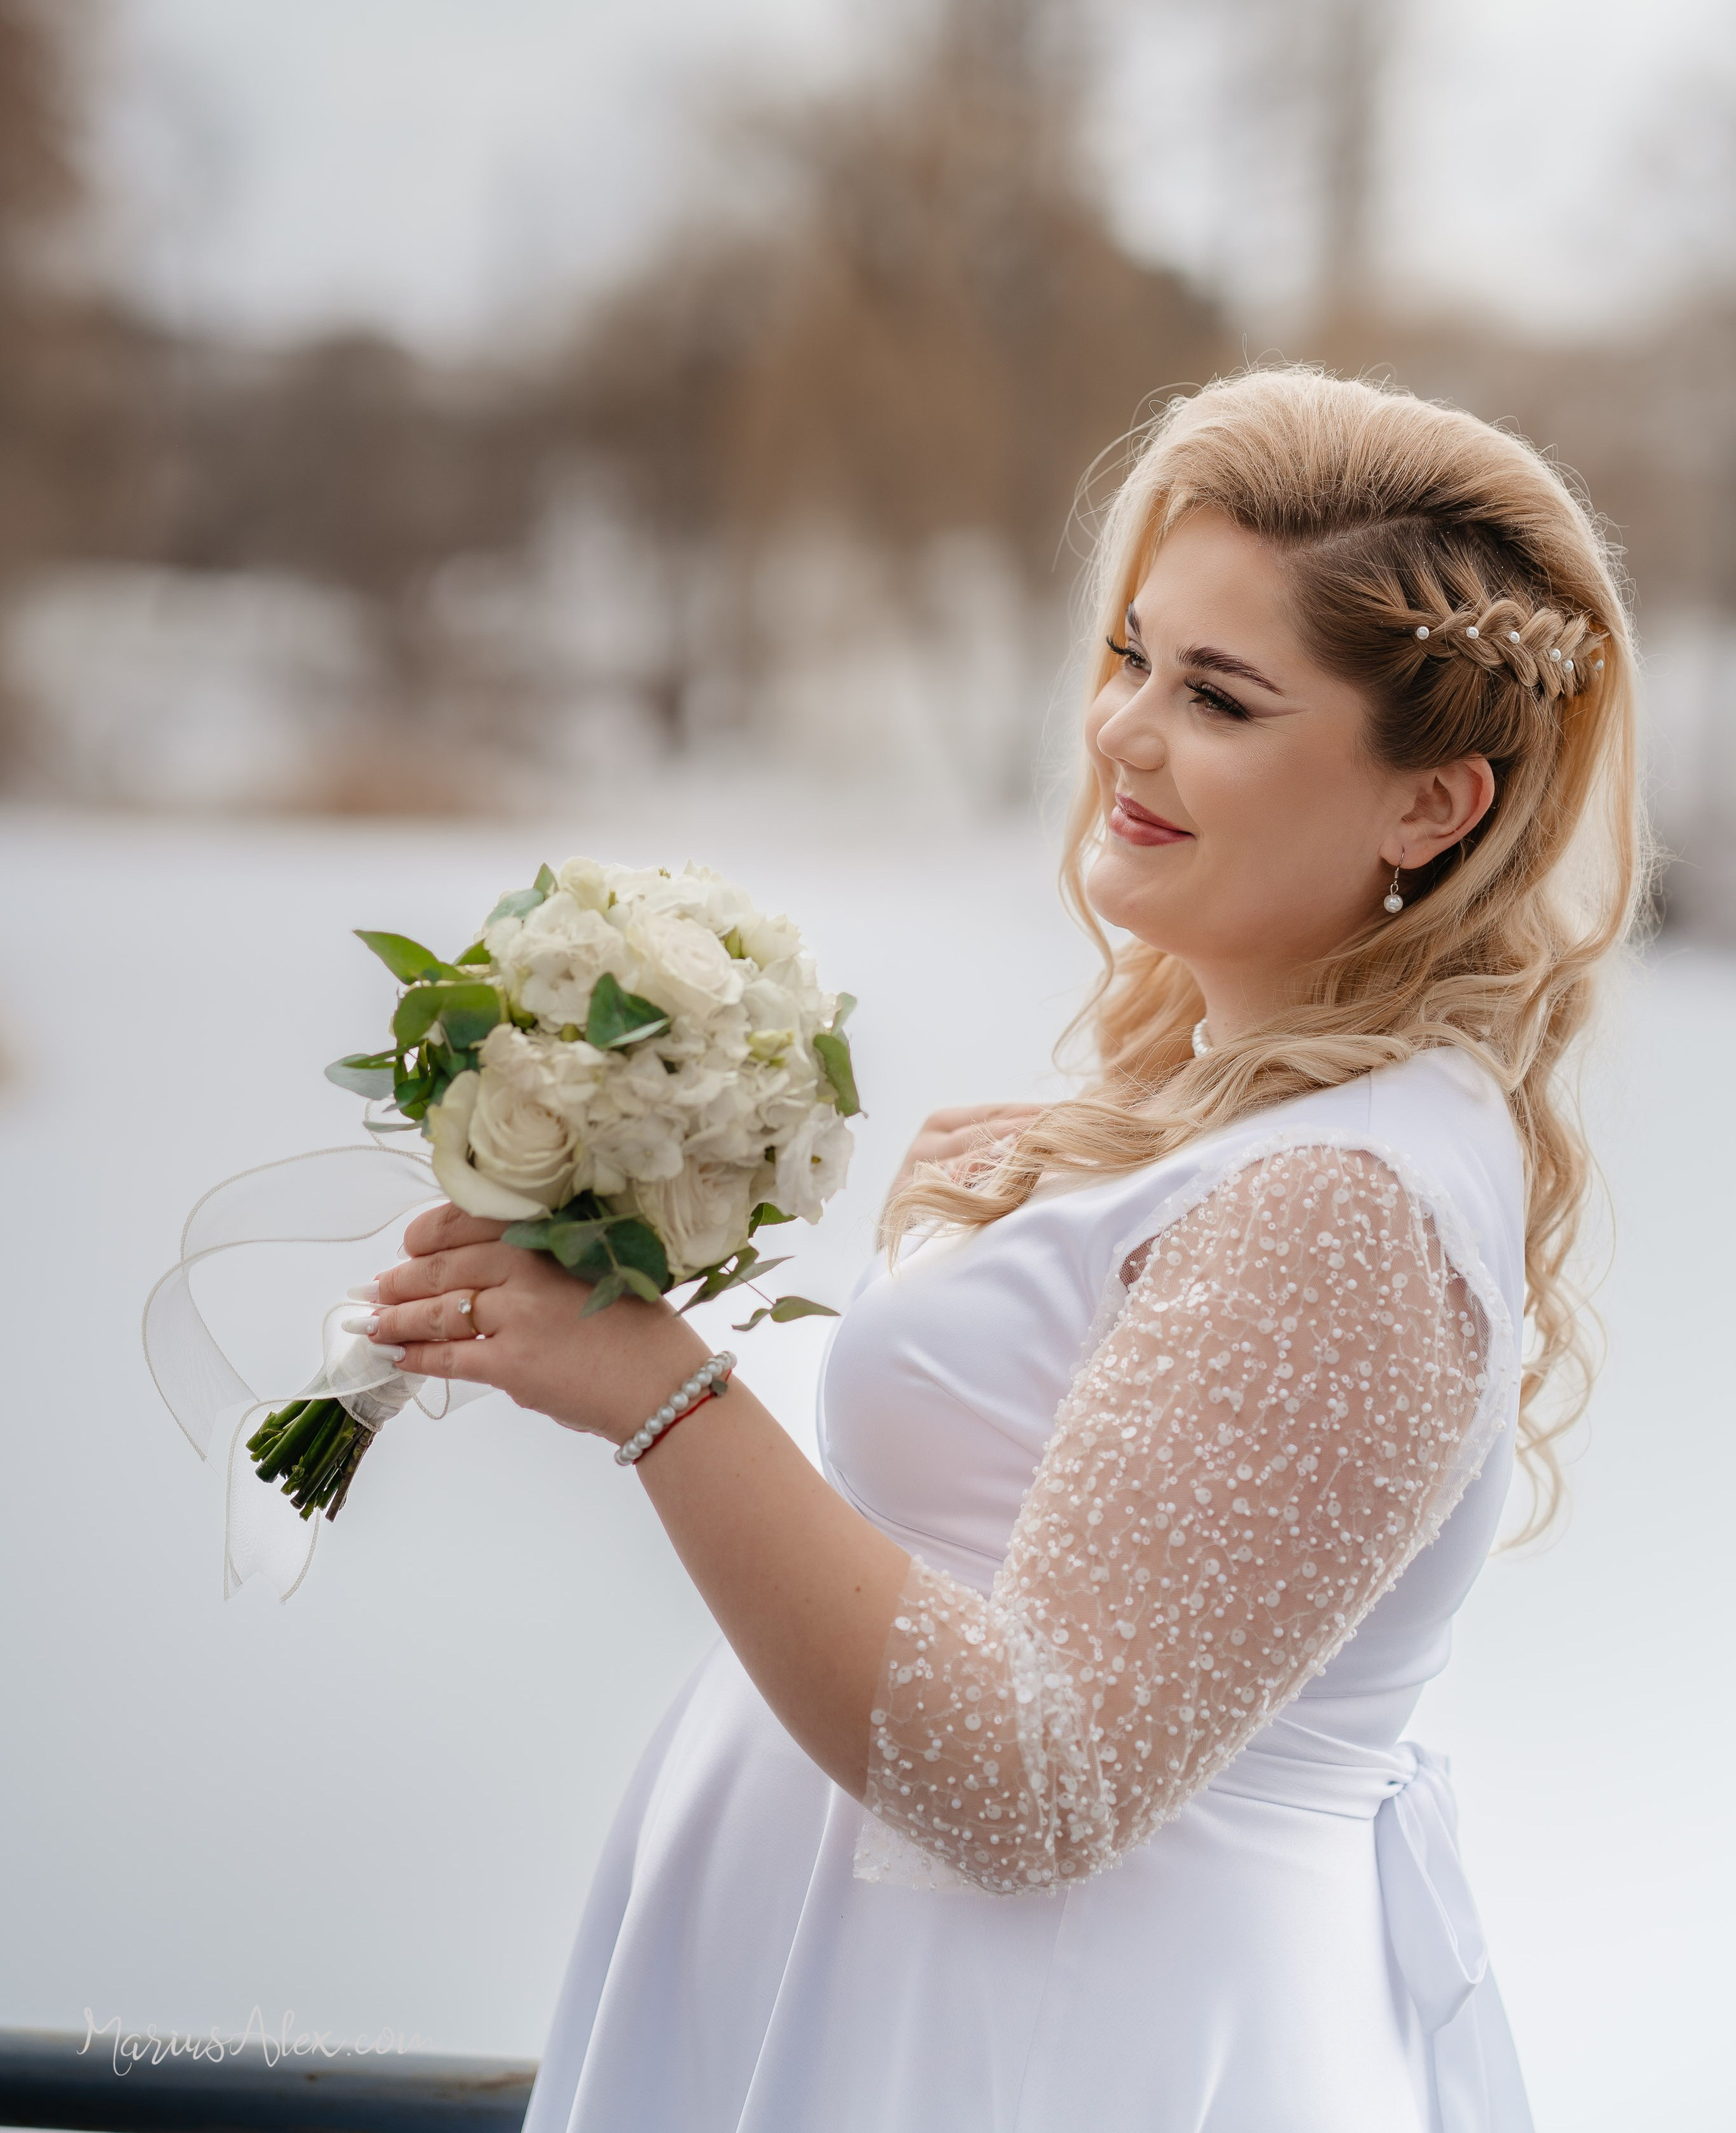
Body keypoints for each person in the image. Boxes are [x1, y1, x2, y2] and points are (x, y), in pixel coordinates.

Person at [368, 368, 1642, 2132]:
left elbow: (1038, 1781)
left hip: (1055, 2057)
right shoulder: (1235, 1132)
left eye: (1222, 696)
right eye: (1132, 657)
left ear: (1428, 806)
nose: (1125, 731)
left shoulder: (1346, 1207)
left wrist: (664, 1396)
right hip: (915, 2014)